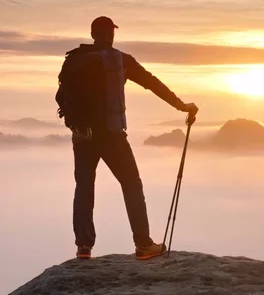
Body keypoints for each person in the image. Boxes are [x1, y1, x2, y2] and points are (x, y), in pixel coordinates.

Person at [56, 16, 198, 260]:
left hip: (82, 136)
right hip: (112, 135)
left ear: (92, 34)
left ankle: (83, 246)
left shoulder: (75, 59)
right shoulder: (122, 61)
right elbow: (152, 84)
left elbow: (61, 96)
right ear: (111, 34)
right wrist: (181, 106)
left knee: (84, 187)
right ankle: (143, 245)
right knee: (131, 184)